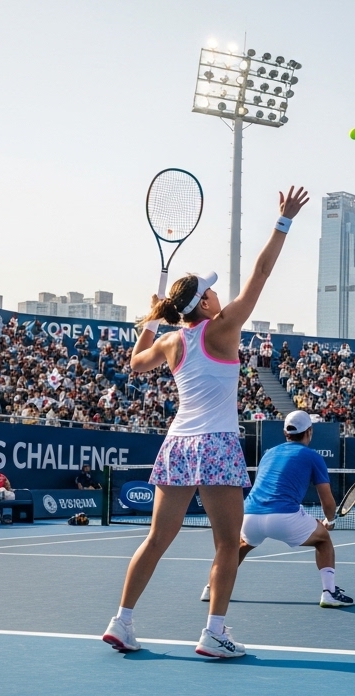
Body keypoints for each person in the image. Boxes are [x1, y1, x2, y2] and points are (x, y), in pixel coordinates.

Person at [102, 185, 309, 659]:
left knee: (157, 539)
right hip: (216, 443)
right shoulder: (223, 327)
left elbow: (135, 364)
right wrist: (284, 221)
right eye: (212, 290)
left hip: (177, 444)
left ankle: (122, 621)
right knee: (226, 545)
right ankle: (214, 633)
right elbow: (261, 273)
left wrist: (154, 319)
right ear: (204, 304)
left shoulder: (171, 341)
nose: (218, 293)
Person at [200, 410, 352, 608]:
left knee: (241, 546)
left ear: (285, 433)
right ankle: (329, 592)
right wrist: (329, 521)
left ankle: (211, 588)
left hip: (250, 515)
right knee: (323, 540)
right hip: (284, 518)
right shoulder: (313, 456)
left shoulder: (269, 454)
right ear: (309, 432)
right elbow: (327, 500)